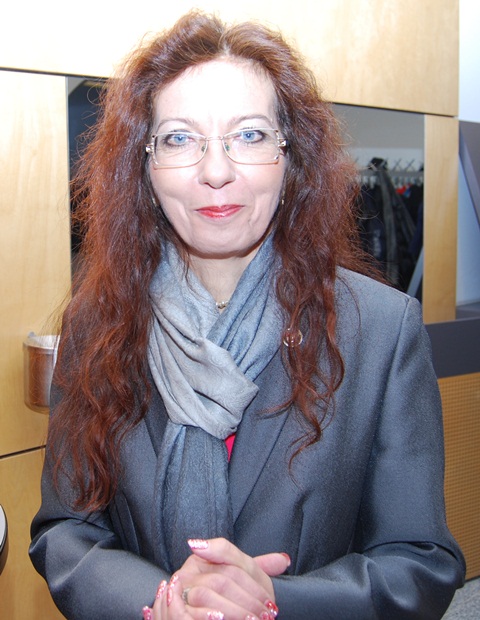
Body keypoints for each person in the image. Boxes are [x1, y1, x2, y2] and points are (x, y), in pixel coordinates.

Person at [29, 10, 465, 620]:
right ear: (143, 168)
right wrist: (157, 603)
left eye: (250, 135)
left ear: (291, 160)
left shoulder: (381, 330)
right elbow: (65, 531)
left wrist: (272, 602)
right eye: (179, 139)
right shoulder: (96, 325)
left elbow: (421, 561)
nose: (216, 171)